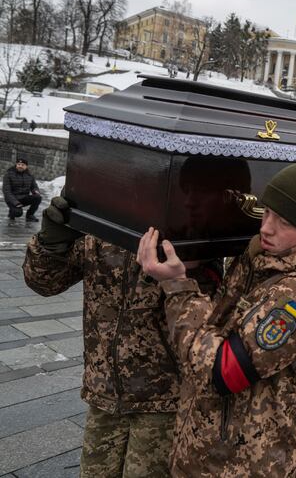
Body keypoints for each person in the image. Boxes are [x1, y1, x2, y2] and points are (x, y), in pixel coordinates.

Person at [136, 162, 296, 477]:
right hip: (211, 449)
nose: (266, 228)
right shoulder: (265, 257)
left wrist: (178, 286)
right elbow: (221, 323)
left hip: (242, 463)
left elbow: (224, 371)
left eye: (283, 221)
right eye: (267, 212)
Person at [23, 197, 222, 477]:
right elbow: (44, 282)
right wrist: (50, 243)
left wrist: (193, 265)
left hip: (164, 401)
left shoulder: (186, 222)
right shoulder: (103, 223)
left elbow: (215, 311)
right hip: (104, 392)